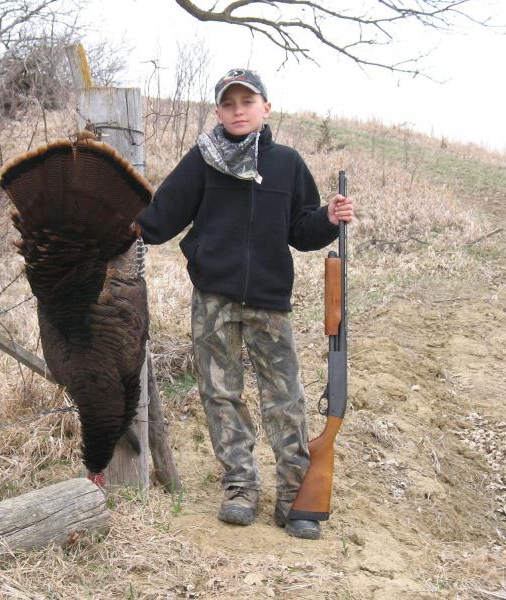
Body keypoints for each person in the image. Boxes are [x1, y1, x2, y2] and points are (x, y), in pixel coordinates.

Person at [137, 68, 354, 540]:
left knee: (285, 398)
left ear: (266, 108)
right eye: (229, 103)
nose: (238, 111)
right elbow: (159, 218)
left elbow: (301, 229)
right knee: (220, 393)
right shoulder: (202, 161)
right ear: (218, 111)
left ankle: (294, 494)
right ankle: (240, 485)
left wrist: (327, 217)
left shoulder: (288, 163)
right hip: (213, 299)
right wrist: (114, 223)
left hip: (270, 302)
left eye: (247, 102)